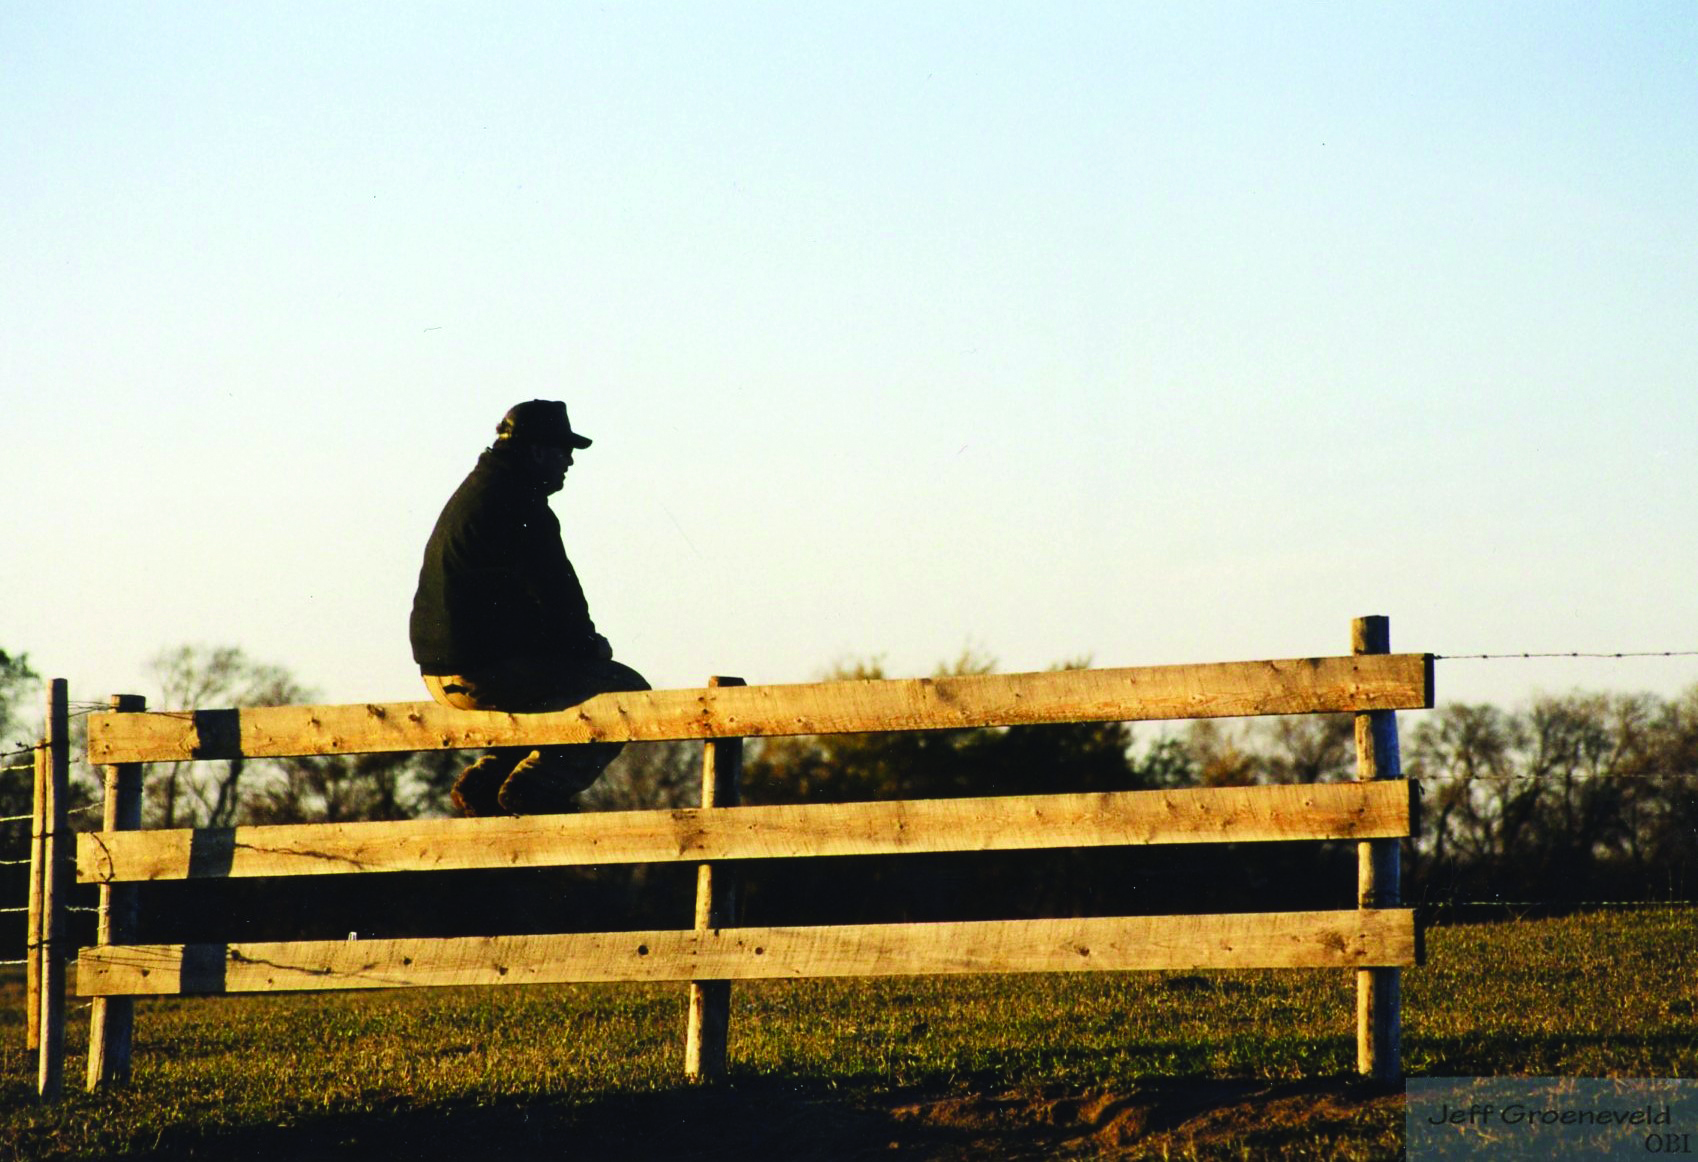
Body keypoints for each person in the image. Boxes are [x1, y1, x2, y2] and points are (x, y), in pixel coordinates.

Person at [410, 400, 650, 816]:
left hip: (439, 671)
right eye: (563, 450)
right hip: (485, 671)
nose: (570, 461)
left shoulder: (479, 493)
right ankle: (536, 786)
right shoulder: (521, 506)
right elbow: (559, 599)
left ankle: (490, 778)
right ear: (537, 451)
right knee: (626, 691)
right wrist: (589, 648)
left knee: (557, 684)